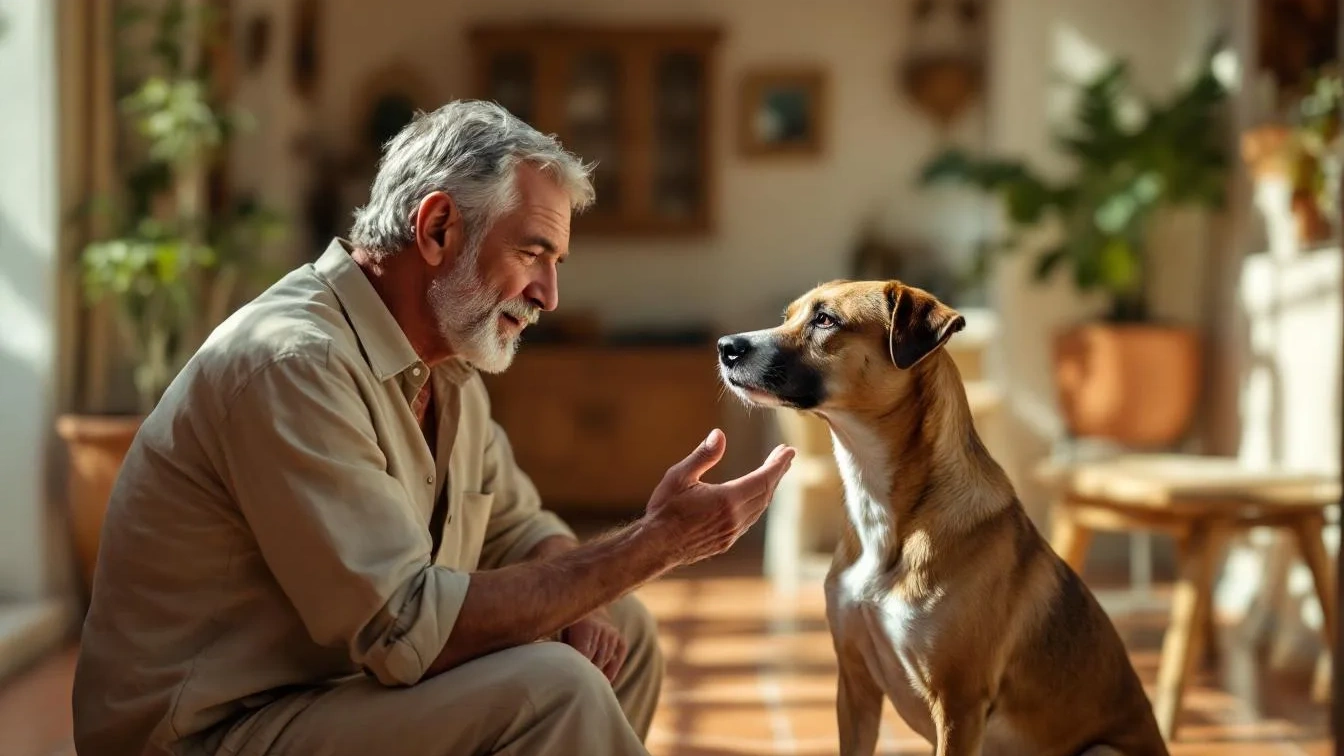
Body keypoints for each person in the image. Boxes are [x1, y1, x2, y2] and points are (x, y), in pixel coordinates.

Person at [71, 100, 796, 756]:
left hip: (326, 696)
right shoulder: (293, 365)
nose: (549, 295)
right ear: (438, 228)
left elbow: (519, 528)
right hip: (210, 732)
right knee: (556, 689)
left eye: (555, 262)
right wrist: (653, 543)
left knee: (619, 633)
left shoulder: (446, 368)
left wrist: (595, 590)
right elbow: (402, 627)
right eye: (532, 253)